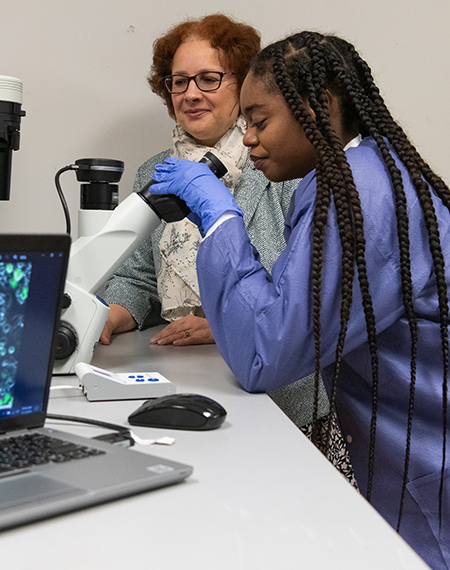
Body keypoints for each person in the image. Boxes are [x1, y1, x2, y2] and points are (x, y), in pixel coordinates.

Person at [148, 31, 450, 570]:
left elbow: (268, 352)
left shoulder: (357, 194)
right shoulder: (367, 175)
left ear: (318, 107)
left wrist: (219, 218)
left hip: (429, 474)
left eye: (259, 122)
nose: (250, 140)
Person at [102, 16, 356, 484]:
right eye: (179, 81)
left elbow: (300, 289)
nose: (191, 93)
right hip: (185, 377)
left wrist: (223, 321)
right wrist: (105, 316)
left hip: (282, 394)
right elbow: (137, 275)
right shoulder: (156, 172)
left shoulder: (283, 160)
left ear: (242, 85)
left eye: (209, 79)